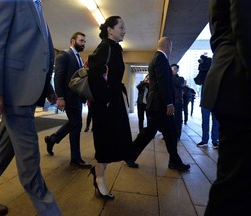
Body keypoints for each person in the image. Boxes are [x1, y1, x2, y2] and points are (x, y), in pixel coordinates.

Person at [0, 1, 62, 216]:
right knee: (30, 159)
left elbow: (38, 53)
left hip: (26, 90)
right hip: (14, 91)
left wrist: (47, 86)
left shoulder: (36, 4)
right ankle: (50, 211)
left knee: (5, 148)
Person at [201, 1, 251, 215]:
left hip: (232, 77)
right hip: (241, 81)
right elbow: (245, 22)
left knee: (234, 181)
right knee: (237, 185)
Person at [87, 16, 138, 200]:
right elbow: (94, 74)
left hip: (112, 101)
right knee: (104, 141)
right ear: (110, 29)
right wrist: (106, 100)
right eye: (121, 27)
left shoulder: (115, 48)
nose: (124, 30)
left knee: (113, 139)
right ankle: (99, 179)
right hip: (106, 104)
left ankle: (98, 172)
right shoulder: (105, 46)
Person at [131, 37, 190, 171]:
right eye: (171, 46)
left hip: (156, 105)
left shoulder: (155, 58)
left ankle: (130, 155)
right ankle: (174, 162)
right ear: (168, 45)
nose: (171, 49)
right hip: (160, 106)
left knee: (156, 133)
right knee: (169, 133)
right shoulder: (161, 59)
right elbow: (163, 84)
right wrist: (169, 103)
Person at [44, 32, 92, 169]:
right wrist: (60, 97)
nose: (84, 43)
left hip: (77, 98)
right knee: (76, 125)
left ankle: (52, 139)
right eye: (81, 41)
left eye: (84, 41)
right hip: (68, 98)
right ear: (73, 41)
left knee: (74, 123)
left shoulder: (80, 59)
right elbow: (58, 77)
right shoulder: (64, 55)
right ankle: (75, 158)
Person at [170, 63, 185, 140]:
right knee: (169, 119)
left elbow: (178, 83)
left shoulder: (181, 79)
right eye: (171, 69)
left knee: (178, 120)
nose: (173, 70)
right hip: (169, 102)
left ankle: (177, 136)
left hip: (177, 102)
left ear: (177, 70)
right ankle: (168, 134)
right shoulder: (168, 78)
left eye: (174, 69)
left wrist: (170, 76)